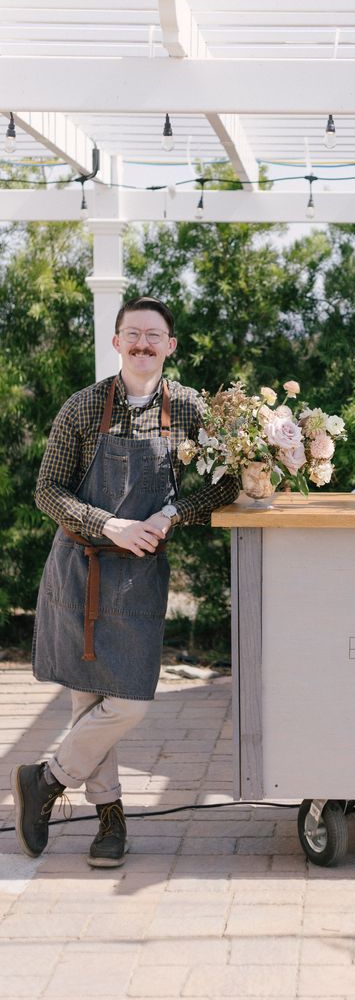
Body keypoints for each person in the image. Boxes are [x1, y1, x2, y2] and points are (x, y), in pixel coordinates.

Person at [11, 296, 240, 867]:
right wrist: (109, 524)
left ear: (170, 346)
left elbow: (227, 481)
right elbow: (48, 490)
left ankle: (45, 780)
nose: (142, 344)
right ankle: (109, 817)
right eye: (132, 334)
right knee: (87, 700)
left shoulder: (189, 409)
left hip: (139, 577)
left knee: (130, 700)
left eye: (153, 335)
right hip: (80, 569)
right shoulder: (84, 408)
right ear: (117, 343)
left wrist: (170, 515)